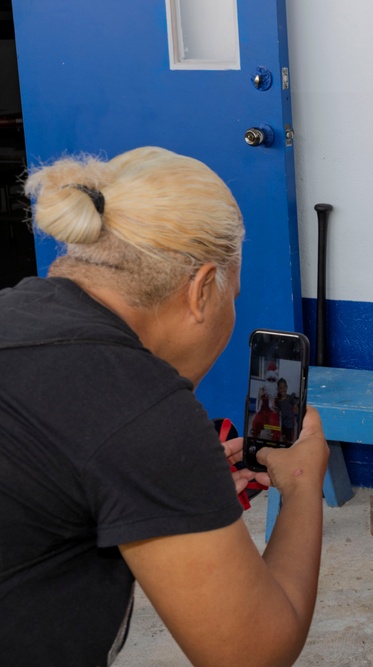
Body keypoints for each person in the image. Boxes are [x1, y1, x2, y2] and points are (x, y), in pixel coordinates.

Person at [0, 146, 329, 666]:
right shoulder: (143, 409)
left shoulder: (13, 310)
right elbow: (253, 654)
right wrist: (304, 485)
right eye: (233, 295)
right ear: (201, 289)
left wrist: (167, 488)